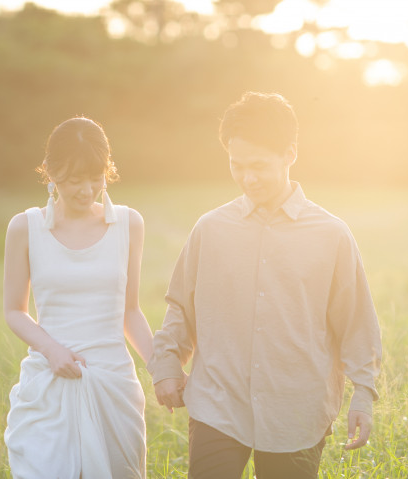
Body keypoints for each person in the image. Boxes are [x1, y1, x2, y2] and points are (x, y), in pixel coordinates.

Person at [148, 92, 382, 478]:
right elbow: (180, 306)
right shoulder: (210, 229)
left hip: (296, 413)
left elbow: (357, 322)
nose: (247, 178)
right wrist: (167, 364)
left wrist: (364, 394)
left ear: (290, 154)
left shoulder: (332, 235)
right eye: (236, 165)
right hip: (217, 406)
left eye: (258, 165)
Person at [3, 116, 153, 478]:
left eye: (96, 178)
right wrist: (52, 350)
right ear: (50, 174)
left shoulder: (129, 225)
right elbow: (14, 310)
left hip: (112, 384)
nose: (86, 189)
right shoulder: (25, 228)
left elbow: (130, 311)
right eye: (74, 180)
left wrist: (160, 367)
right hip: (51, 382)